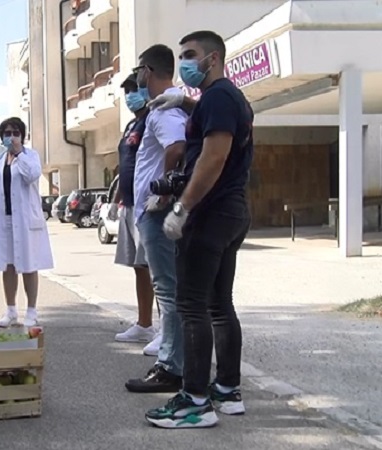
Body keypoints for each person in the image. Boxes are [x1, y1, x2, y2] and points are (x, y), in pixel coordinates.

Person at [144, 30, 254, 429]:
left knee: (191, 305)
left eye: (190, 55)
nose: (185, 63)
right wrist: (185, 102)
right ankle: (226, 390)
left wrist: (183, 207)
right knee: (219, 305)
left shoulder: (219, 96)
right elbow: (214, 123)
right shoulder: (224, 97)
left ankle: (194, 402)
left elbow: (214, 156)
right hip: (231, 211)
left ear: (213, 58)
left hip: (210, 213)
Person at [125, 44, 188, 395]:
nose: (137, 78)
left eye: (139, 71)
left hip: (156, 212)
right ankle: (176, 362)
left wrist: (163, 191)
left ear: (147, 71)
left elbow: (176, 147)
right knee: (170, 288)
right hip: (152, 211)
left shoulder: (162, 109)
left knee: (168, 289)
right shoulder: (163, 107)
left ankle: (171, 367)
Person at [0, 117, 53, 328]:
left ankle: (31, 311)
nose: (11, 137)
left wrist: (18, 154)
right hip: (3, 219)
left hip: (24, 219)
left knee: (29, 264)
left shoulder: (30, 156)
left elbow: (31, 175)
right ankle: (11, 310)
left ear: (22, 136)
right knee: (8, 265)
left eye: (15, 133)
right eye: (7, 133)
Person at [108, 73, 158, 348]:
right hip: (128, 203)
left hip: (145, 203)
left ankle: (167, 329)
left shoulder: (153, 119)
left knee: (156, 268)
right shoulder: (131, 125)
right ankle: (144, 324)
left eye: (134, 89)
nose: (130, 96)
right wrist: (116, 198)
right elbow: (125, 163)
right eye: (126, 91)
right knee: (140, 267)